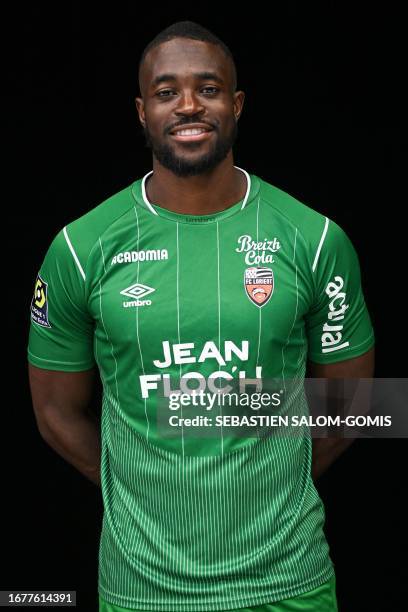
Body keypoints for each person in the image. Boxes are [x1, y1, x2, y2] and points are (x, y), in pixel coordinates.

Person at [27, 20, 375, 612]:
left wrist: (267, 479)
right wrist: (142, 493)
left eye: (208, 89)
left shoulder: (315, 239)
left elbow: (360, 407)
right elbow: (54, 412)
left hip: (289, 582)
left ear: (236, 105)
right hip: (141, 588)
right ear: (141, 112)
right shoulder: (79, 248)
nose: (188, 104)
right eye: (166, 92)